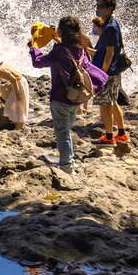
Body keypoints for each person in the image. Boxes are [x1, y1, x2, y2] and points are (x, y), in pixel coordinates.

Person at [40, 14, 91, 188]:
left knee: (61, 132)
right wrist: (57, 39)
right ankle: (67, 159)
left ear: (61, 31)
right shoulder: (81, 48)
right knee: (66, 130)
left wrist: (33, 47)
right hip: (75, 97)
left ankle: (66, 165)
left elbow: (38, 62)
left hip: (60, 96)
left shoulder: (59, 50)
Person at [91, 0, 130, 145]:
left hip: (107, 73)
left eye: (101, 6)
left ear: (110, 9)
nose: (97, 9)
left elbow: (109, 53)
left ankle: (108, 137)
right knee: (113, 102)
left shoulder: (110, 28)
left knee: (105, 105)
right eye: (97, 6)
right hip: (112, 72)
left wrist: (102, 74)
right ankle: (121, 134)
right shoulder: (109, 24)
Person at [0, 61, 31, 129]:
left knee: (18, 105)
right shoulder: (0, 67)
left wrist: (17, 94)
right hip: (19, 82)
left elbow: (14, 80)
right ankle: (18, 124)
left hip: (18, 84)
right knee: (12, 105)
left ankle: (18, 126)